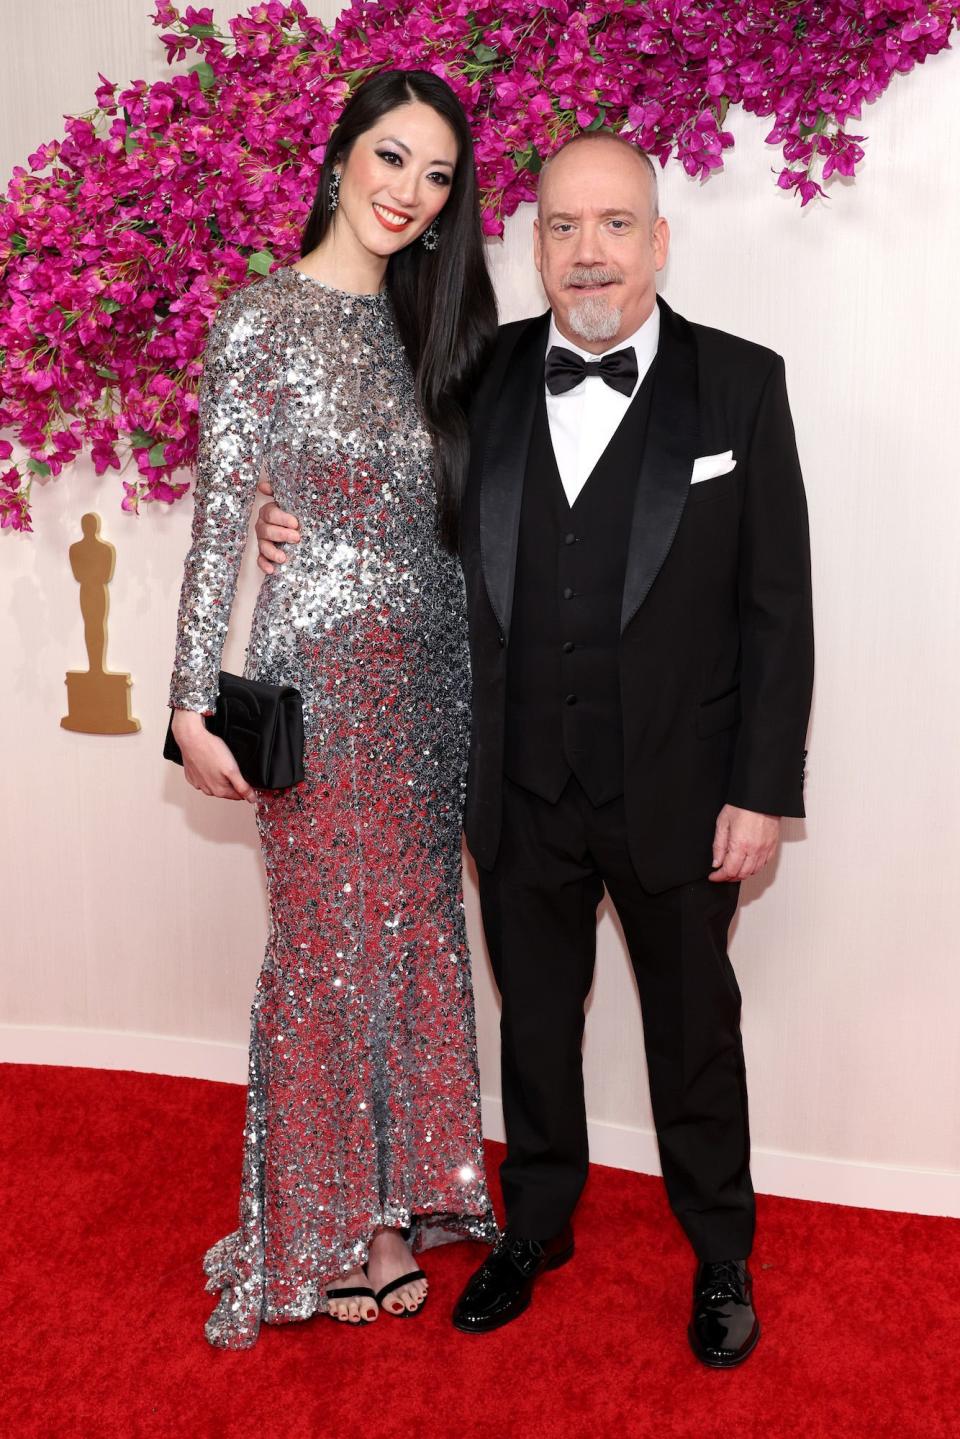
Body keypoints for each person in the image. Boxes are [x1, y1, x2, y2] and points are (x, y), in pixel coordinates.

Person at [255, 131, 814, 1367]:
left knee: (694, 1028)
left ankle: (720, 1246)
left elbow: (780, 607)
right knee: (536, 1024)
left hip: (682, 788)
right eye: (563, 227)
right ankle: (537, 1226)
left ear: (658, 242)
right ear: (536, 244)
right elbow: (385, 501)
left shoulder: (742, 385)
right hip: (512, 784)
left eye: (615, 225)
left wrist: (763, 794)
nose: (589, 252)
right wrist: (282, 512)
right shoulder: (478, 377)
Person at [168, 69, 499, 1349]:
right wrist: (194, 702)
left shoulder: (443, 331)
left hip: (434, 683)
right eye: (392, 157)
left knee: (415, 927)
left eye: (436, 176)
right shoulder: (258, 321)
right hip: (315, 680)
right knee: (321, 946)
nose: (409, 192)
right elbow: (215, 529)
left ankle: (404, 1201)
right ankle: (321, 1220)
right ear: (342, 154)